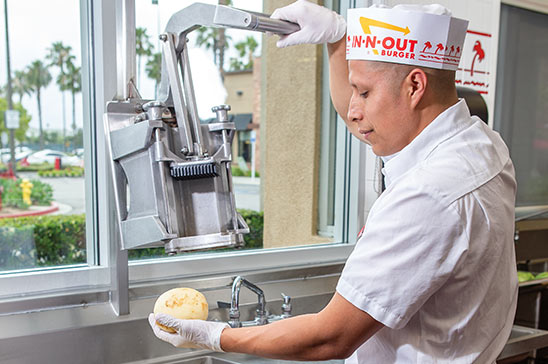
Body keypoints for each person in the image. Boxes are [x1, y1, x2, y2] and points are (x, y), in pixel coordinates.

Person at [149, 2, 518, 363]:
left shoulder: (427, 195)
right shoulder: (481, 144)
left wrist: (215, 336)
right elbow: (362, 118)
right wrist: (339, 39)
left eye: (365, 92)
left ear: (415, 86)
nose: (353, 110)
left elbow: (330, 338)